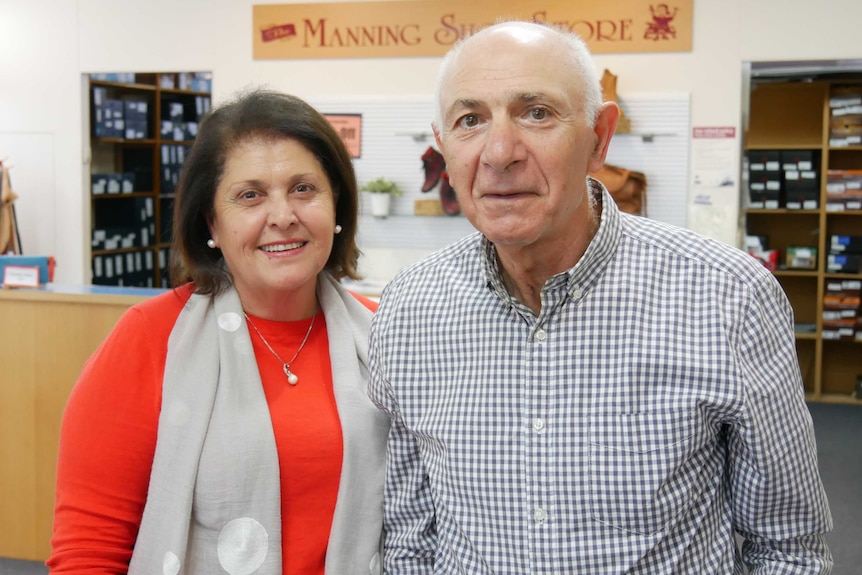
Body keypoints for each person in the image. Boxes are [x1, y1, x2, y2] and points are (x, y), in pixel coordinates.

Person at [368, 21, 833, 574]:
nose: (498, 151)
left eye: (536, 112)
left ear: (599, 137)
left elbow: (788, 549)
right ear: (444, 148)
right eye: (470, 121)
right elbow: (411, 541)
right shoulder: (407, 311)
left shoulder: (727, 299)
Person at [48, 89, 389, 574]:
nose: (283, 216)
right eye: (250, 195)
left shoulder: (385, 337)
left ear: (337, 206)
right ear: (211, 221)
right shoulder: (150, 338)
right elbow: (90, 549)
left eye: (303, 189)